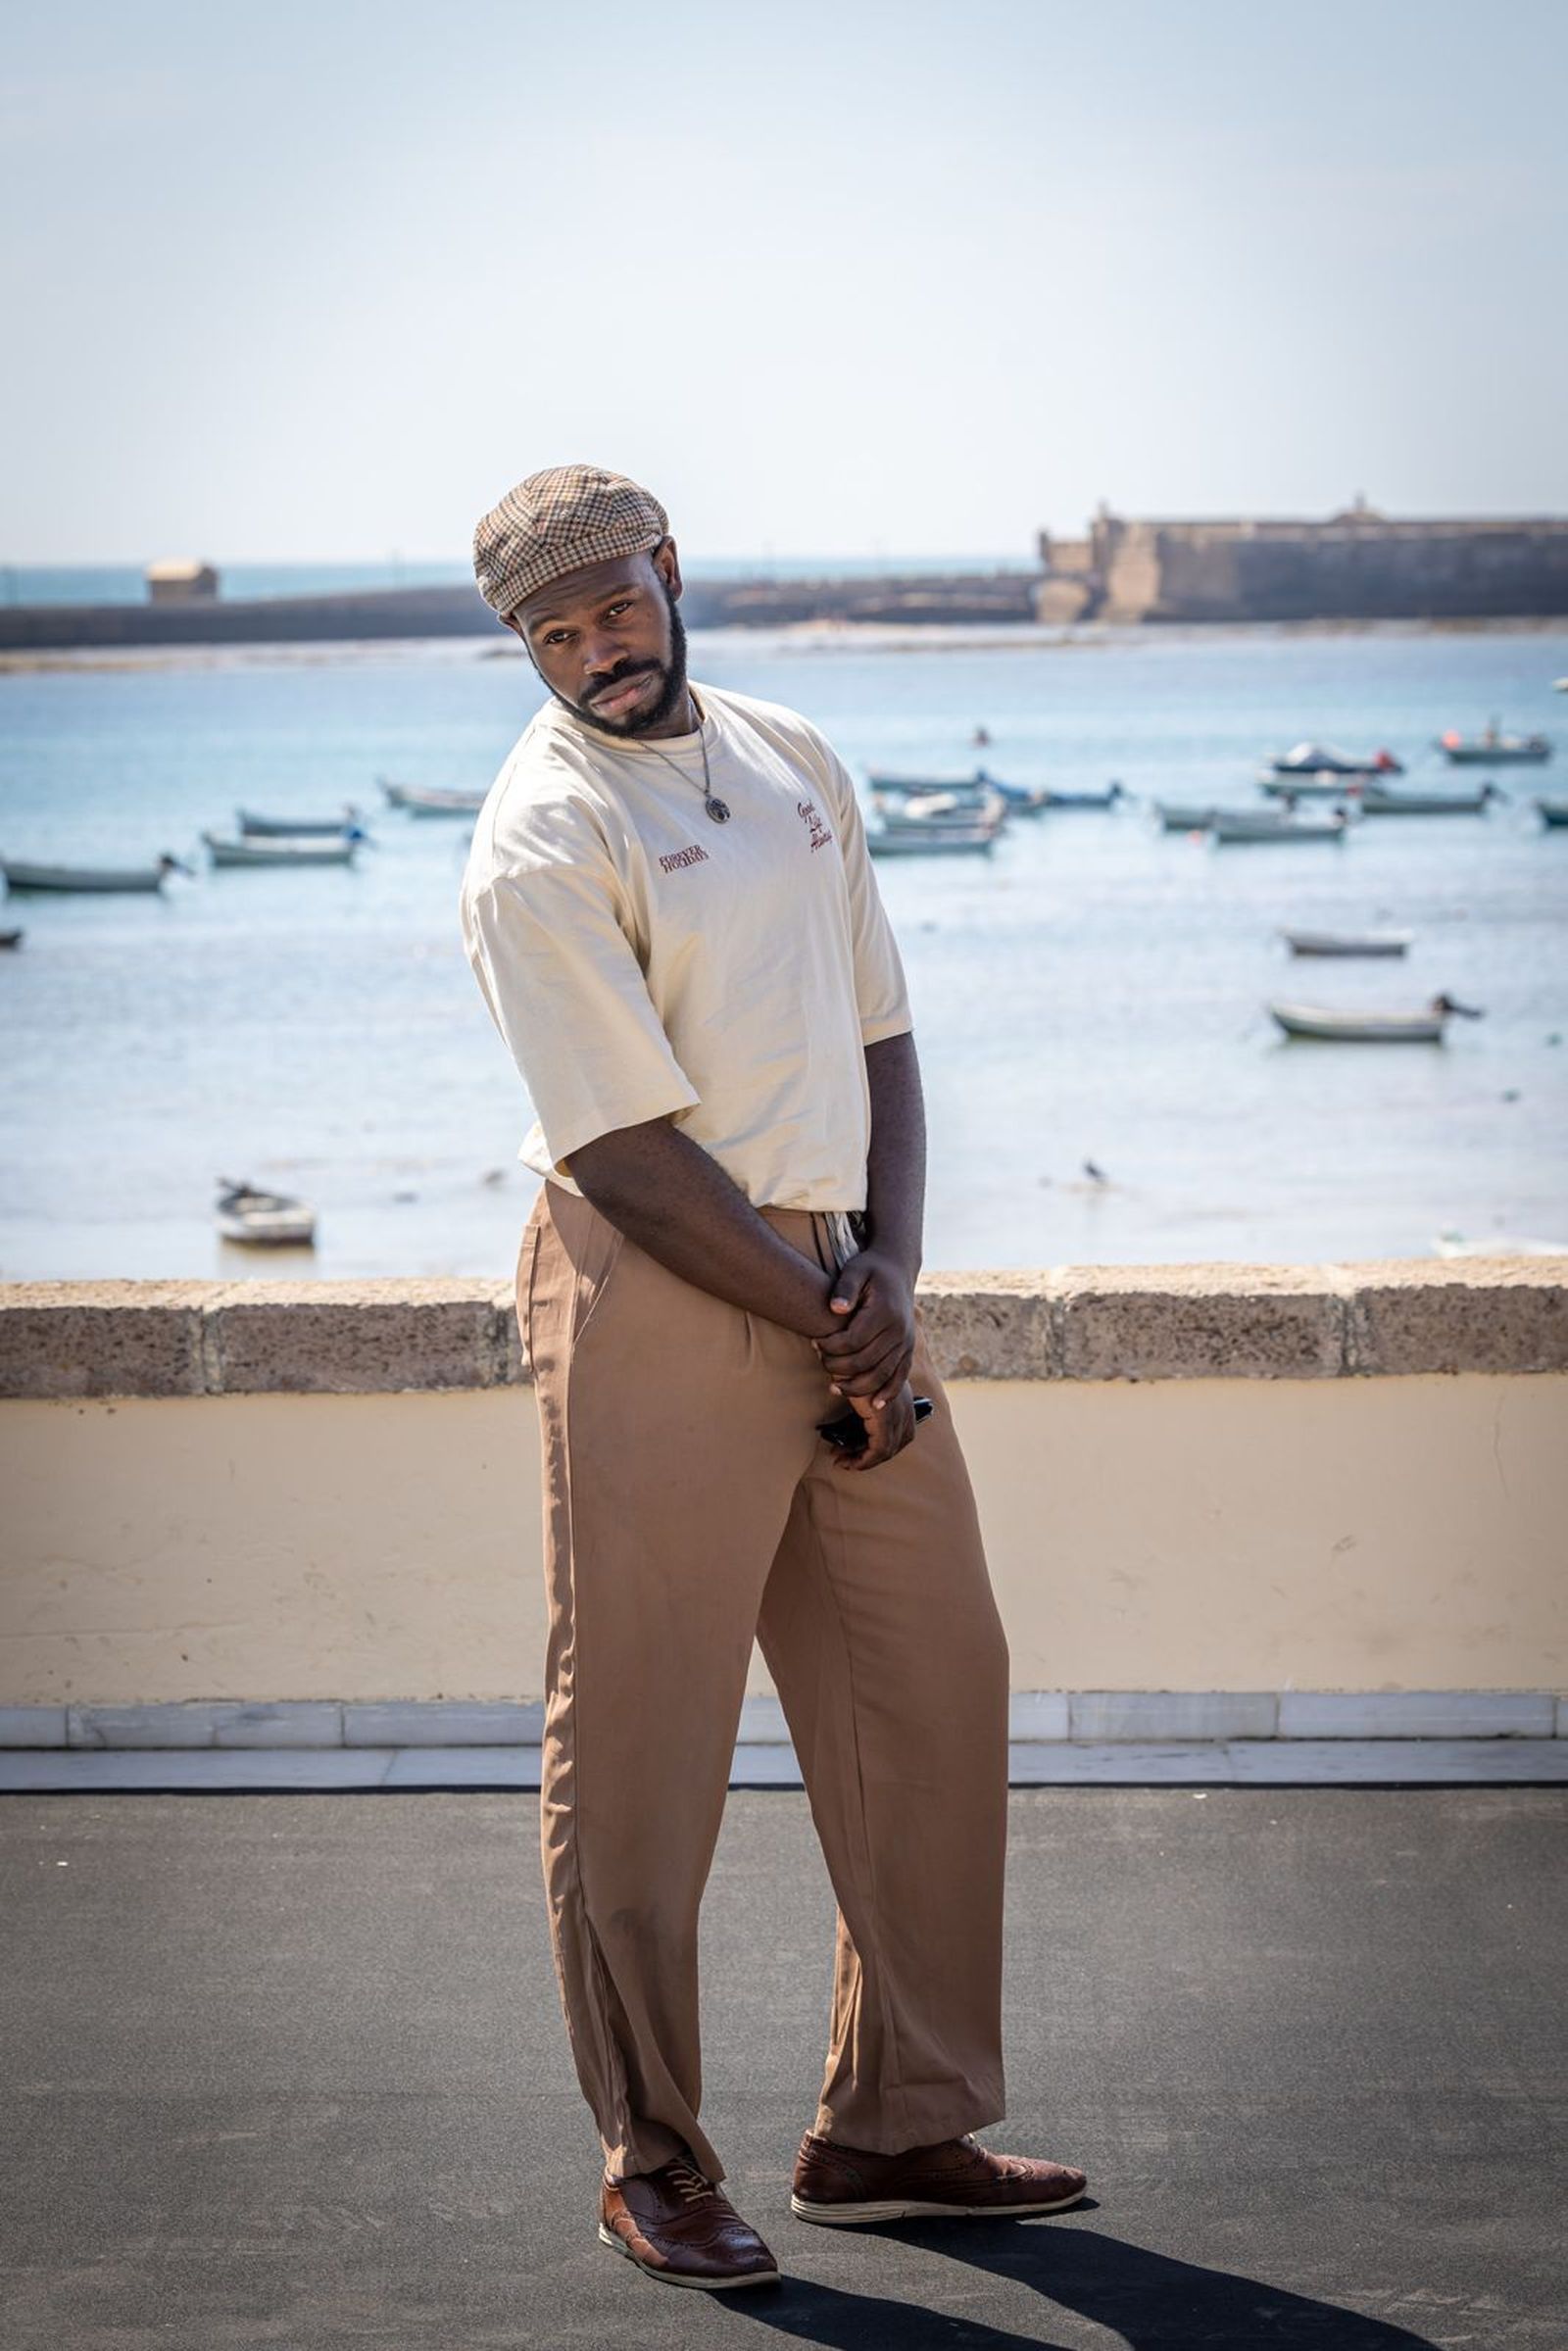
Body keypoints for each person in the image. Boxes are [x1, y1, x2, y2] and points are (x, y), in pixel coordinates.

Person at [459, 465, 1087, 2292]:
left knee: (929, 1682)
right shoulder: (539, 833)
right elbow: (627, 1155)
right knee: (645, 1739)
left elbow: (881, 1028)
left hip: (837, 1282)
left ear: (672, 573)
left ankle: (892, 2122)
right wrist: (832, 1308)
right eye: (554, 637)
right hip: (657, 1285)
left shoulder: (791, 749)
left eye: (616, 611)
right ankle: (652, 2156)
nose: (596, 658)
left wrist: (888, 1267)